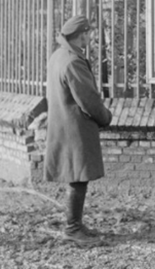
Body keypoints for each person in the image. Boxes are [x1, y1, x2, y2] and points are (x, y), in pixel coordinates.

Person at [44, 15, 112, 246]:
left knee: (76, 176)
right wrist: (105, 117)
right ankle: (72, 228)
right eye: (89, 33)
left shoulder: (58, 56)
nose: (90, 37)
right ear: (81, 34)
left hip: (63, 124)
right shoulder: (73, 61)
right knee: (78, 177)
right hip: (75, 127)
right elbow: (88, 99)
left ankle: (76, 224)